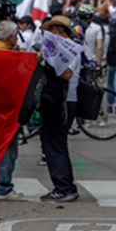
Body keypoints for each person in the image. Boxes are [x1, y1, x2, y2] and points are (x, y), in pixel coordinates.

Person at [38, 16, 80, 202]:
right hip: (54, 99)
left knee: (54, 144)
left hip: (63, 100)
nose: (49, 33)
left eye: (52, 29)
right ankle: (66, 186)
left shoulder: (69, 49)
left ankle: (63, 188)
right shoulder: (58, 48)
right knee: (55, 143)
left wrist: (49, 64)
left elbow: (68, 73)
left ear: (58, 30)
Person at [0, 21, 23, 200]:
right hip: (6, 110)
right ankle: (3, 187)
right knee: (7, 148)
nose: (17, 38)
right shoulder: (8, 57)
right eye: (16, 35)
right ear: (9, 38)